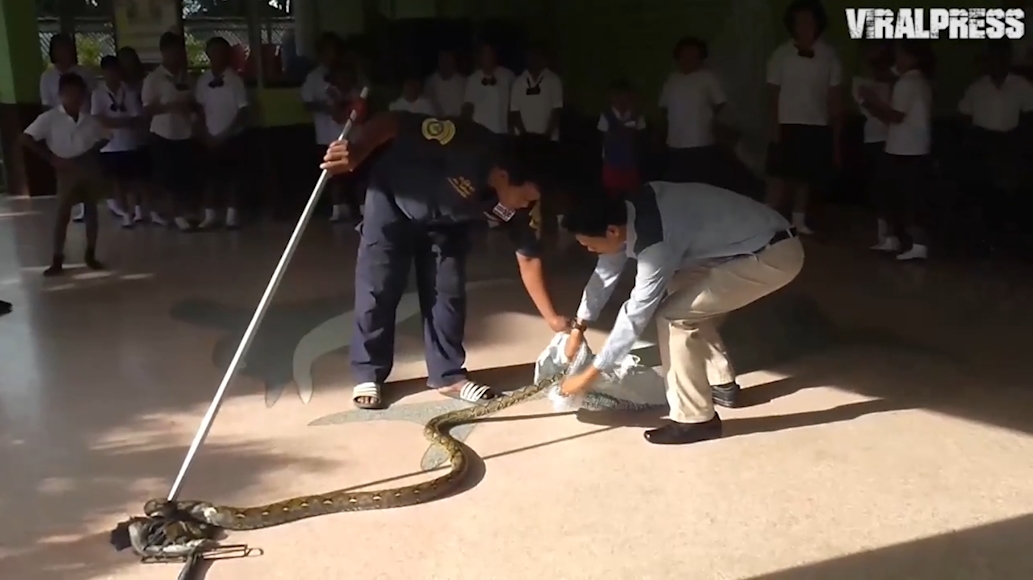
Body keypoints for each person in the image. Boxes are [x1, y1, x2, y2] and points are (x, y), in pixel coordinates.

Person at [320, 112, 568, 410]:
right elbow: (393, 123)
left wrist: (553, 318)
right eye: (525, 197)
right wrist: (358, 151)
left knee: (447, 293)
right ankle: (368, 372)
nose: (526, 205)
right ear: (503, 176)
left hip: (448, 224)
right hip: (392, 202)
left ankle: (447, 375)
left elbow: (529, 256)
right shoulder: (467, 139)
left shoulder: (516, 206)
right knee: (379, 287)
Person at [557, 182, 804, 445]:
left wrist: (589, 375)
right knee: (682, 290)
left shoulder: (655, 242)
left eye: (588, 245)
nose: (588, 250)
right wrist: (578, 327)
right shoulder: (626, 215)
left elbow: (635, 314)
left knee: (673, 315)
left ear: (612, 231)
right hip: (747, 245)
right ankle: (720, 383)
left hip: (772, 256)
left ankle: (695, 419)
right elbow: (604, 274)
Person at [764, 0, 844, 235]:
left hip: (816, 123)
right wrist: (773, 125)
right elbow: (772, 93)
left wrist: (836, 129)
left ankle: (798, 221)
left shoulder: (829, 55)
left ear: (818, 24)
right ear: (792, 25)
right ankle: (765, 221)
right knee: (778, 177)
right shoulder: (781, 54)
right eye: (799, 22)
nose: (805, 26)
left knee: (805, 178)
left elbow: (835, 94)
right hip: (786, 122)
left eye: (810, 21)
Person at [21, 73, 111, 276]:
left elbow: (107, 136)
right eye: (70, 94)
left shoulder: (89, 120)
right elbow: (25, 138)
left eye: (79, 94)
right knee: (63, 213)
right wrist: (51, 158)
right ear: (61, 95)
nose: (75, 99)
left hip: (87, 166)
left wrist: (91, 153)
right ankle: (57, 258)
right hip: (65, 168)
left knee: (91, 211)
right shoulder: (50, 118)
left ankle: (90, 254)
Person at [859, 40, 935, 261]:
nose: (896, 60)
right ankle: (897, 240)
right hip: (906, 147)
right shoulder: (919, 82)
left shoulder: (908, 83)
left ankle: (915, 244)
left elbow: (896, 116)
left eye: (900, 55)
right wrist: (872, 106)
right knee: (897, 196)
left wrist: (872, 100)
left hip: (906, 149)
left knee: (907, 198)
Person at [142, 31, 198, 231]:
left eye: (179, 51)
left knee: (185, 175)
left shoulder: (187, 77)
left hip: (185, 132)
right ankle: (174, 214)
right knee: (167, 177)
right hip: (163, 133)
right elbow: (147, 109)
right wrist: (170, 107)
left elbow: (194, 102)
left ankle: (186, 212)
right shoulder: (154, 78)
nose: (177, 55)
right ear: (164, 52)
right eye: (172, 51)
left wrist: (189, 109)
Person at [195, 36, 251, 229]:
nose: (217, 56)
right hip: (209, 137)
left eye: (221, 52)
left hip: (232, 136)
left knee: (233, 178)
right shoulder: (202, 81)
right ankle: (210, 215)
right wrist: (205, 134)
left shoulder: (235, 81)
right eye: (214, 52)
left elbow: (243, 111)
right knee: (210, 177)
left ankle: (231, 215)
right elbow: (199, 110)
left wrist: (227, 133)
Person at [42, 33, 98, 224]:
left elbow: (94, 98)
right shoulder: (47, 77)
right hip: (61, 128)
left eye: (67, 47)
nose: (64, 52)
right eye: (60, 48)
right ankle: (68, 204)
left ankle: (87, 205)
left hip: (83, 124)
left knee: (84, 164)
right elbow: (47, 105)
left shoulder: (84, 73)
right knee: (66, 168)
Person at [658, 36, 727, 184]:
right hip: (675, 142)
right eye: (684, 55)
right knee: (678, 183)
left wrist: (707, 119)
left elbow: (720, 103)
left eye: (693, 55)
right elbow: (663, 107)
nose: (688, 59)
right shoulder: (672, 79)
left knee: (701, 183)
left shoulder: (707, 77)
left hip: (700, 141)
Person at [91, 56, 147, 229]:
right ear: (104, 72)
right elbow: (100, 119)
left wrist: (117, 121)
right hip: (109, 145)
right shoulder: (98, 93)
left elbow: (137, 117)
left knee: (134, 181)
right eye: (109, 71)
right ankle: (125, 214)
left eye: (116, 70)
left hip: (130, 143)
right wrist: (123, 121)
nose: (113, 74)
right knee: (117, 182)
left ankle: (138, 210)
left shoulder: (128, 91)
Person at [851, 41, 894, 245]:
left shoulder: (897, 80)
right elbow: (872, 111)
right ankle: (883, 234)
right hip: (875, 139)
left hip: (897, 139)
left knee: (893, 187)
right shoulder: (859, 81)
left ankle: (892, 233)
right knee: (879, 187)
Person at [598, 79, 646, 198]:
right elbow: (605, 139)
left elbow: (641, 139)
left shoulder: (638, 116)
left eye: (623, 95)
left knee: (633, 196)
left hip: (631, 164)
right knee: (613, 196)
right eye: (615, 95)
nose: (619, 99)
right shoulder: (605, 116)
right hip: (612, 165)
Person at [462, 43, 514, 134]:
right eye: (484, 53)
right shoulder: (473, 79)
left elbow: (513, 104)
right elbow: (468, 106)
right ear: (480, 57)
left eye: (490, 53)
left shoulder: (507, 75)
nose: (487, 56)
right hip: (481, 132)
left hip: (502, 131)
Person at [425, 49, 466, 117]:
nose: (446, 61)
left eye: (448, 57)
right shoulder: (430, 83)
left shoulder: (464, 82)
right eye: (443, 57)